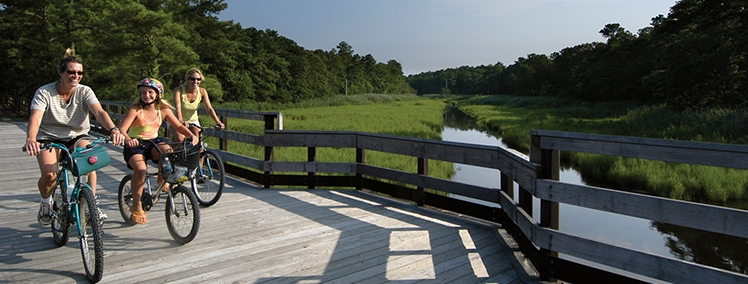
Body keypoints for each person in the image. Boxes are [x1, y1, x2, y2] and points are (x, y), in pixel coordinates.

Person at [25, 51, 125, 226]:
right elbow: (36, 117)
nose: (76, 76)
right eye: (71, 72)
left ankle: (91, 205)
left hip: (77, 135)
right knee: (50, 175)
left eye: (79, 73)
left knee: (90, 161)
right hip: (48, 137)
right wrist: (31, 139)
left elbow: (99, 112)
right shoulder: (45, 92)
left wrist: (113, 129)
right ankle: (46, 203)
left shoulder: (85, 91)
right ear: (61, 72)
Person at [119, 78, 198, 224]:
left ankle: (162, 178)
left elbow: (178, 127)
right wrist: (127, 139)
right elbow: (122, 129)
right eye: (143, 92)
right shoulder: (136, 109)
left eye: (150, 92)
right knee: (141, 170)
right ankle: (136, 206)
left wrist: (191, 135)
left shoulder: (164, 110)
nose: (146, 95)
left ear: (158, 94)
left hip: (153, 141)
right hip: (136, 144)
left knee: (168, 152)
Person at [170, 68, 224, 142]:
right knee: (180, 138)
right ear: (188, 79)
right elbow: (177, 107)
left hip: (193, 121)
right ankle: (172, 152)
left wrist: (218, 122)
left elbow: (209, 108)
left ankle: (198, 153)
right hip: (176, 120)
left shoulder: (202, 91)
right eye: (192, 79)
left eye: (198, 79)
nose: (195, 81)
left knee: (198, 142)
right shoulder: (179, 90)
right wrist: (180, 120)